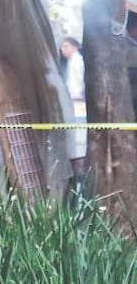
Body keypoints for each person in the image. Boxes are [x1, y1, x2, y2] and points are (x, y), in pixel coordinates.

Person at [60, 36, 87, 193]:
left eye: (66, 46)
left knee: (79, 147)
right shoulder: (71, 63)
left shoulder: (78, 63)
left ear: (75, 47)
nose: (63, 49)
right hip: (73, 108)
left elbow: (77, 88)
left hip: (78, 109)